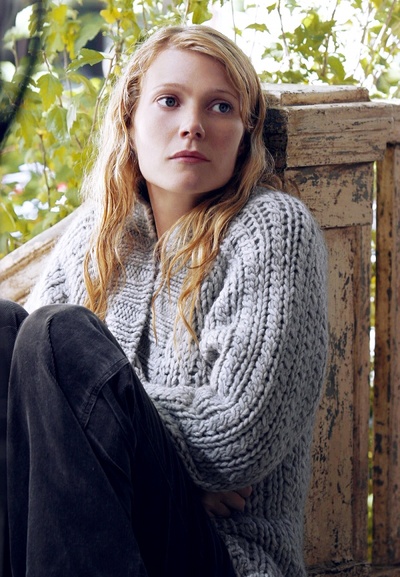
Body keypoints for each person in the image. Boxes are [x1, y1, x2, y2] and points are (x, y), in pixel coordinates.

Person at [1, 24, 328, 577]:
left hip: (220, 555)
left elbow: (242, 436)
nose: (192, 125)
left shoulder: (273, 231)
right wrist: (127, 452)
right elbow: (32, 399)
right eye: (169, 101)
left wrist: (97, 434)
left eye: (220, 107)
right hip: (90, 538)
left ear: (245, 134)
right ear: (130, 121)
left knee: (60, 337)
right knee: (7, 330)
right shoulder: (97, 236)